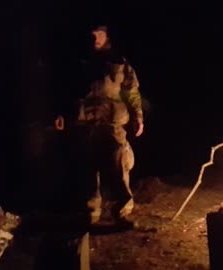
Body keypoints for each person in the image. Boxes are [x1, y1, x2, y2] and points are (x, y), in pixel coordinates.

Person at [54, 25, 144, 225]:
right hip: (84, 121)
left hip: (112, 122)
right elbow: (66, 89)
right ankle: (91, 212)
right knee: (87, 168)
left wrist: (138, 115)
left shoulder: (119, 62)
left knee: (118, 165)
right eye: (92, 34)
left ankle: (122, 210)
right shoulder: (80, 62)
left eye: (99, 34)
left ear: (107, 36)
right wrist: (61, 113)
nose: (95, 38)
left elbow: (132, 91)